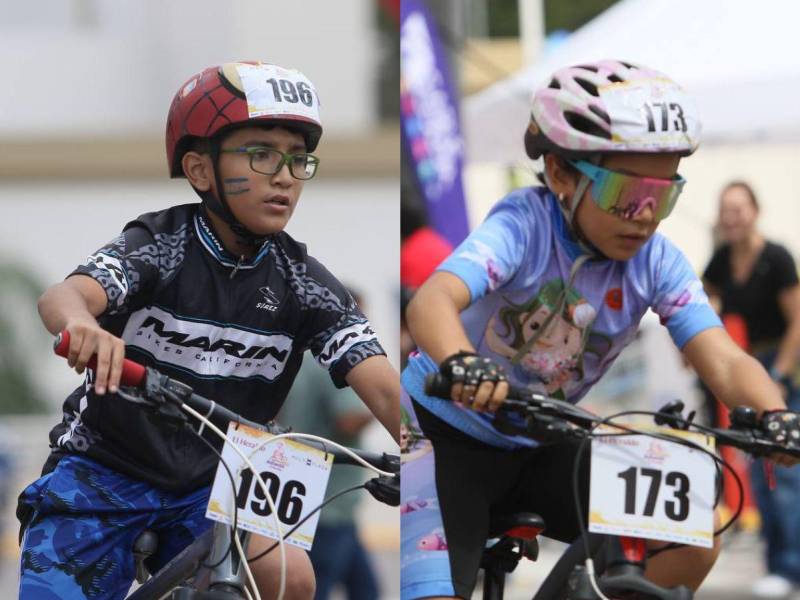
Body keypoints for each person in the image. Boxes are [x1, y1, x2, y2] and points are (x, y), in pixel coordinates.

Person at [400, 59, 800, 600]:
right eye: (625, 194)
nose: (644, 216)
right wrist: (460, 362)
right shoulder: (523, 224)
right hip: (439, 434)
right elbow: (432, 301)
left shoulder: (657, 261)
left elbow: (726, 360)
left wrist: (777, 418)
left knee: (691, 531)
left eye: (662, 198)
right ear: (563, 175)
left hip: (541, 441)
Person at [16, 61, 400, 600]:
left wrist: (424, 445)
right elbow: (63, 296)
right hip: (105, 466)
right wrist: (84, 327)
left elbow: (383, 384)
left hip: (221, 479)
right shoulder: (160, 244)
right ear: (200, 171)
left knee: (293, 581)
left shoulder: (308, 285)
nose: (285, 175)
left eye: (296, 159)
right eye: (261, 154)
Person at [703, 181, 800, 598]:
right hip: (747, 363)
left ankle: (791, 566)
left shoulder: (776, 258)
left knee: (786, 469)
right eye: (726, 210)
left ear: (755, 211)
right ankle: (775, 562)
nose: (732, 217)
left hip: (783, 364)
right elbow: (703, 301)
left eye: (738, 209)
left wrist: (778, 374)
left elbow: (798, 321)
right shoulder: (722, 260)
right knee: (759, 473)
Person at [280, 287, 382, 600]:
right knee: (318, 590)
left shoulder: (297, 357)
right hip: (328, 505)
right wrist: (385, 399)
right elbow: (348, 419)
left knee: (366, 590)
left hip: (311, 500)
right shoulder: (338, 362)